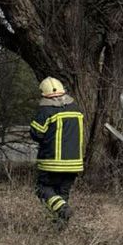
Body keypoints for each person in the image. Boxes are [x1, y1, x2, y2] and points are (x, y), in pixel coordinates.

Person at [30, 77, 84, 231]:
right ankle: (60, 226)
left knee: (42, 189)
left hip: (51, 163)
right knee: (62, 193)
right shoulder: (76, 109)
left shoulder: (45, 111)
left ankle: (63, 211)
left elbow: (36, 134)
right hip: (74, 163)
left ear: (44, 94)